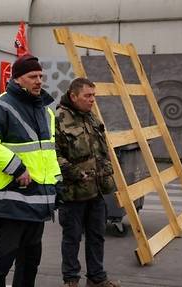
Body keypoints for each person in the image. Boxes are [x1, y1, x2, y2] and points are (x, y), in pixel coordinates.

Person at [0, 54, 61, 287]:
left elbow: (48, 153)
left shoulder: (46, 112)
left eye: (40, 76)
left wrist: (57, 184)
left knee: (30, 262)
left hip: (38, 198)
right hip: (10, 198)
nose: (39, 81)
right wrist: (17, 168)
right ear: (17, 79)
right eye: (32, 76)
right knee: (2, 262)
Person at [55, 78, 121, 287]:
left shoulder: (91, 117)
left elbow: (99, 148)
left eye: (94, 95)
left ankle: (96, 278)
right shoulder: (58, 118)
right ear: (74, 96)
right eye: (88, 96)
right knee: (72, 239)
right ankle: (71, 280)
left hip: (97, 190)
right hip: (73, 192)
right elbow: (52, 154)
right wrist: (75, 172)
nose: (92, 100)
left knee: (97, 237)